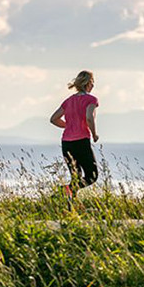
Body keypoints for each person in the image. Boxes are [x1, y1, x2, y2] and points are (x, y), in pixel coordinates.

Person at [50, 70, 99, 200]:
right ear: (89, 83)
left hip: (66, 143)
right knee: (92, 176)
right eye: (93, 82)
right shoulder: (91, 99)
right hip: (81, 141)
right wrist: (94, 134)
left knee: (75, 176)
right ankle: (64, 191)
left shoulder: (68, 101)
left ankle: (71, 204)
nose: (93, 85)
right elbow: (89, 118)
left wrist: (69, 125)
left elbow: (54, 119)